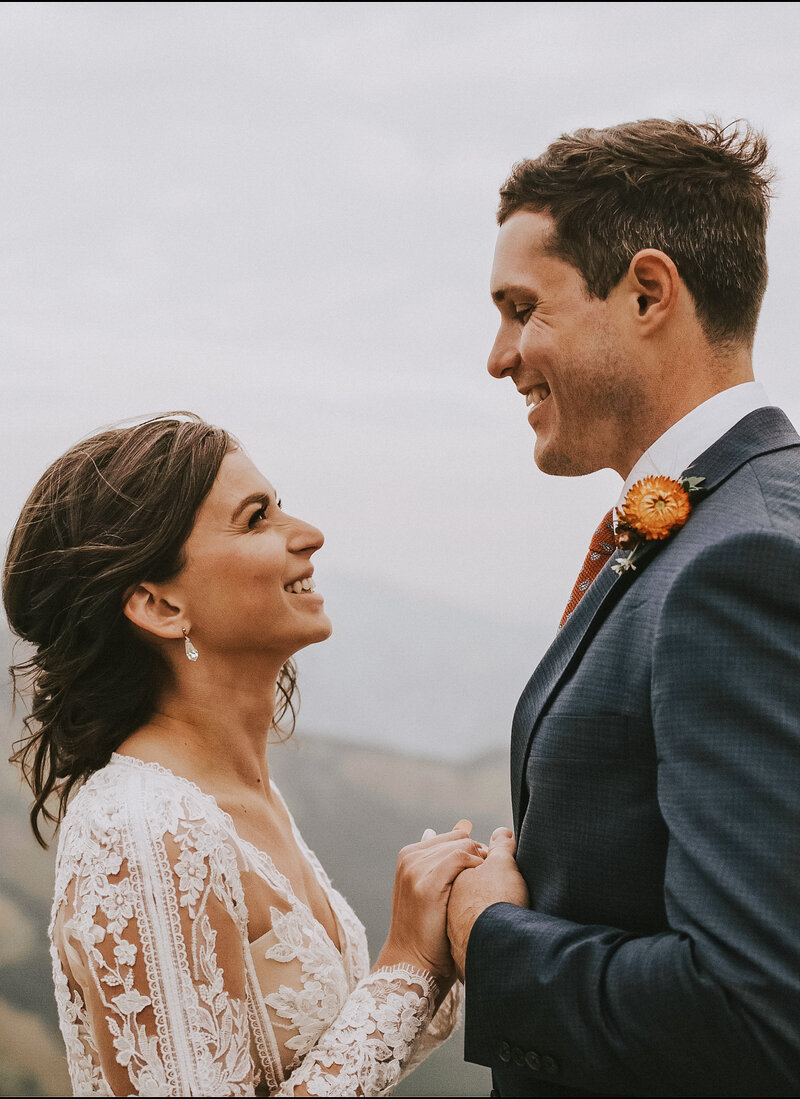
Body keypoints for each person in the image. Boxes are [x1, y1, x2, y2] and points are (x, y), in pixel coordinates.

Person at [445, 119, 800, 1096]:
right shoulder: (723, 515)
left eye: (522, 309)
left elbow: (754, 1009)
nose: (497, 355)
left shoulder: (747, 558)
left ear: (647, 292)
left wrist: (489, 939)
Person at [3, 414, 490, 1097]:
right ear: (159, 604)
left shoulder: (237, 796)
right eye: (257, 517)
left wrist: (442, 939)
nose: (308, 534)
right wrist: (406, 965)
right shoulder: (145, 830)